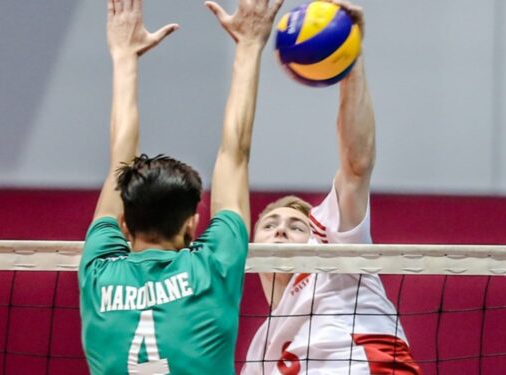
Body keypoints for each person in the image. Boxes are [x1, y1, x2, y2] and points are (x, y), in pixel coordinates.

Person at [78, 0, 284, 374]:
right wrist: (250, 44)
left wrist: (123, 57)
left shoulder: (99, 272)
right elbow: (234, 153)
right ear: (192, 224)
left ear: (123, 225)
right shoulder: (212, 268)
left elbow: (118, 163)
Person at [242, 1, 420, 374]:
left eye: (295, 225)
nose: (280, 229)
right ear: (251, 246)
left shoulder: (334, 247)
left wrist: (350, 64)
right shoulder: (260, 352)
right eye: (270, 224)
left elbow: (356, 166)